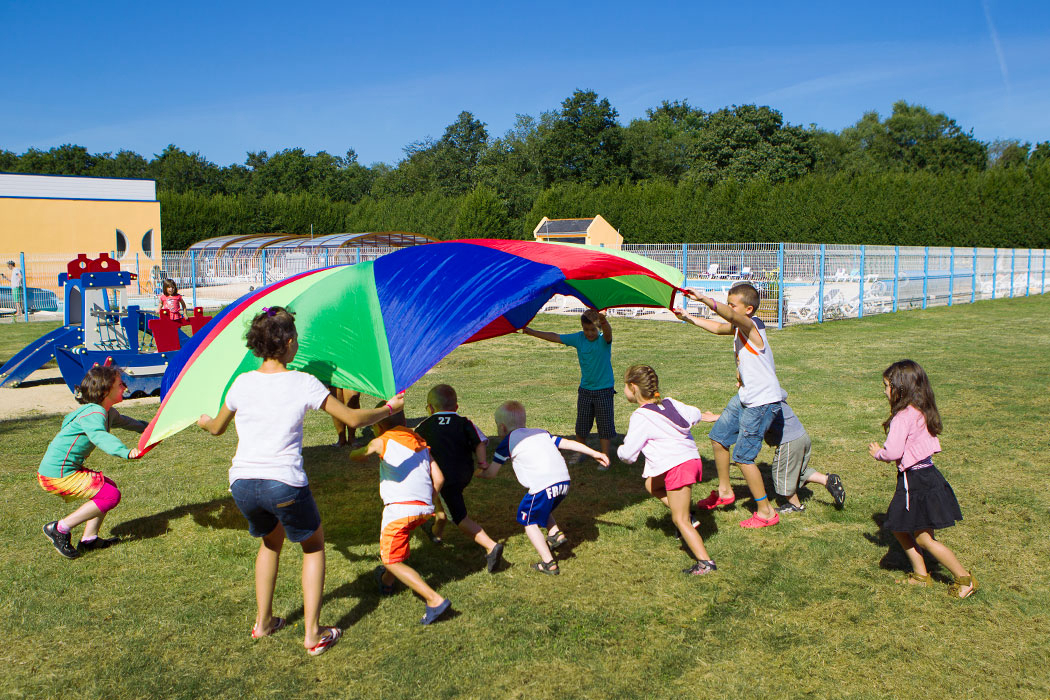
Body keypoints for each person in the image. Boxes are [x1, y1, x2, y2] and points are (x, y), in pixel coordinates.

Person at [198, 306, 404, 654]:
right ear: (290, 342)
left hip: (243, 484)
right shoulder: (303, 382)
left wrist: (204, 420)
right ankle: (312, 634)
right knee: (313, 547)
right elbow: (352, 419)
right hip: (283, 482)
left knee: (270, 542)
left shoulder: (242, 383)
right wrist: (388, 409)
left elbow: (216, 427)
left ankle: (263, 623)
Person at [675, 283, 784, 528]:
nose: (729, 307)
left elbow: (731, 316)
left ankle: (766, 511)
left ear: (748, 309)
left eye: (732, 304)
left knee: (743, 458)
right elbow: (718, 327)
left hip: (762, 401)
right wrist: (689, 318)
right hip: (746, 395)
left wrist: (704, 299)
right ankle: (725, 492)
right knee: (719, 437)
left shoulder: (751, 325)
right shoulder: (739, 327)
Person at [869, 360, 976, 598]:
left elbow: (894, 451)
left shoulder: (902, 417)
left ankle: (964, 579)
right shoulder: (920, 409)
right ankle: (920, 574)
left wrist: (878, 453)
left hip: (915, 482)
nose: (884, 390)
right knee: (898, 526)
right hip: (927, 477)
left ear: (901, 389)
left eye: (887, 386)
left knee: (924, 538)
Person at [350, 402, 452, 625]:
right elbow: (440, 478)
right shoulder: (421, 443)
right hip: (424, 508)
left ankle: (434, 599)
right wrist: (427, 499)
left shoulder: (382, 441)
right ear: (405, 422)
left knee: (390, 560)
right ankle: (387, 582)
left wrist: (355, 450)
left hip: (399, 511)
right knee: (399, 543)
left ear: (378, 427)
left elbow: (359, 454)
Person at [480, 400, 609, 575]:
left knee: (528, 520)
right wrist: (595, 453)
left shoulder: (508, 441)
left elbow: (492, 473)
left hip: (543, 486)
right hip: (564, 482)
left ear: (502, 428)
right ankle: (555, 533)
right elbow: (568, 443)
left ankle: (549, 563)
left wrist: (479, 473)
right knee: (541, 506)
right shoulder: (541, 433)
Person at [617, 365, 717, 576]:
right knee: (651, 484)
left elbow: (628, 455)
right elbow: (694, 413)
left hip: (678, 466)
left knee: (679, 520)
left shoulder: (641, 416)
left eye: (624, 386)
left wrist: (618, 451)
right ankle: (687, 515)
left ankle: (705, 562)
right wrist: (704, 416)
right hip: (691, 460)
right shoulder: (671, 403)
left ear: (633, 387)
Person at [38, 365, 145, 559]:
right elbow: (99, 436)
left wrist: (150, 430)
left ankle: (90, 539)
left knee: (107, 487)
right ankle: (59, 528)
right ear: (106, 391)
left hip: (64, 470)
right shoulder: (94, 413)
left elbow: (129, 423)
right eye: (120, 384)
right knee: (110, 495)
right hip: (56, 475)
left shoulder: (107, 412)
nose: (125, 387)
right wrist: (125, 452)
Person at [415, 384, 504, 573]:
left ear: (430, 408)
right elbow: (479, 442)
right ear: (456, 407)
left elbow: (415, 447)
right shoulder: (465, 422)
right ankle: (436, 533)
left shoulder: (424, 426)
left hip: (442, 477)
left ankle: (490, 546)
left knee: (458, 516)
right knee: (444, 503)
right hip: (463, 474)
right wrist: (482, 464)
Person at [702, 401, 846, 514]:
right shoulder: (775, 398)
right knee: (797, 471)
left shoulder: (762, 403)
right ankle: (827, 479)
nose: (737, 384)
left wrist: (715, 418)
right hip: (801, 438)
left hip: (788, 443)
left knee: (781, 475)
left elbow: (748, 419)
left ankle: (795, 505)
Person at [522, 309, 615, 467]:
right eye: (586, 329)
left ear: (598, 328)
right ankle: (580, 452)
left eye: (593, 329)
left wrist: (604, 321)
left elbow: (607, 333)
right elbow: (555, 337)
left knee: (604, 426)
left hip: (604, 390)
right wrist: (531, 332)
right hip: (585, 389)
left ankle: (604, 457)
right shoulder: (579, 338)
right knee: (581, 425)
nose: (589, 333)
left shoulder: (603, 340)